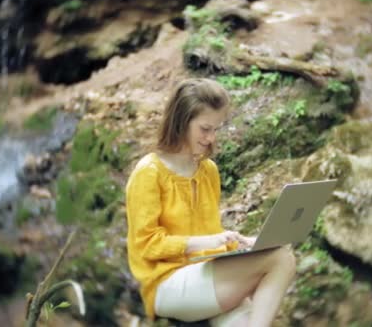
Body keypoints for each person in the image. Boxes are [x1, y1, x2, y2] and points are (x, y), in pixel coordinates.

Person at [125, 78, 296, 327]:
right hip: (165, 283)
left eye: (216, 129)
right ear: (181, 122)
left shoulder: (208, 170)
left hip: (205, 275)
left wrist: (241, 245)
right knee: (281, 258)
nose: (210, 137)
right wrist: (204, 242)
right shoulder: (148, 172)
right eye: (205, 129)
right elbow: (146, 245)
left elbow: (211, 233)